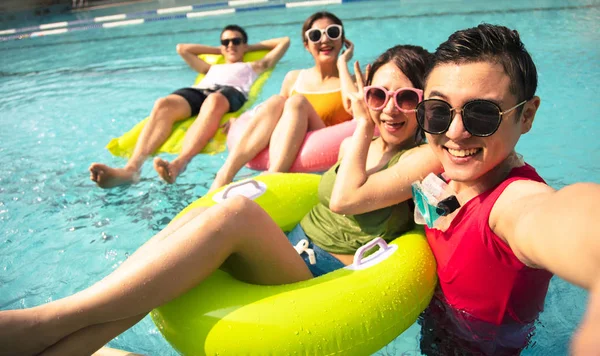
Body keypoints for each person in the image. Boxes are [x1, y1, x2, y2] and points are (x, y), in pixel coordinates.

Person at [0, 44, 434, 356]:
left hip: (325, 275)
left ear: (425, 102)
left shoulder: (421, 155)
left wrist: (360, 123)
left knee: (236, 212)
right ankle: (66, 345)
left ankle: (51, 318)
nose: (389, 109)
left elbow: (343, 199)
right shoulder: (362, 144)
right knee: (172, 263)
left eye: (406, 97)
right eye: (379, 95)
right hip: (289, 248)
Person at [329, 24, 600, 355]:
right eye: (438, 111)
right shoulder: (444, 173)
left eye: (482, 114)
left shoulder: (509, 205)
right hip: (435, 333)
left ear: (527, 116)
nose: (455, 133)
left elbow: (564, 218)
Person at [89, 25, 290, 188]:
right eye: (225, 42)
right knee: (163, 104)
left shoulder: (254, 66)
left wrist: (246, 48)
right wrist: (223, 50)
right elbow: (182, 48)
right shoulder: (211, 67)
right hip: (201, 90)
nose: (230, 45)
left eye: (236, 41)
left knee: (214, 101)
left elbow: (284, 41)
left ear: (244, 45)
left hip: (229, 92)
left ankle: (179, 164)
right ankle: (131, 170)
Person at [209, 11, 355, 192]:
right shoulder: (294, 78)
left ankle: (273, 177)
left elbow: (358, 113)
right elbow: (274, 120)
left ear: (343, 40)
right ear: (307, 45)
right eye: (315, 35)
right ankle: (225, 175)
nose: (325, 40)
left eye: (333, 32)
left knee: (297, 102)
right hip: (290, 152)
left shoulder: (354, 81)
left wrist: (342, 65)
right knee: (278, 100)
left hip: (325, 157)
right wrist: (238, 122)